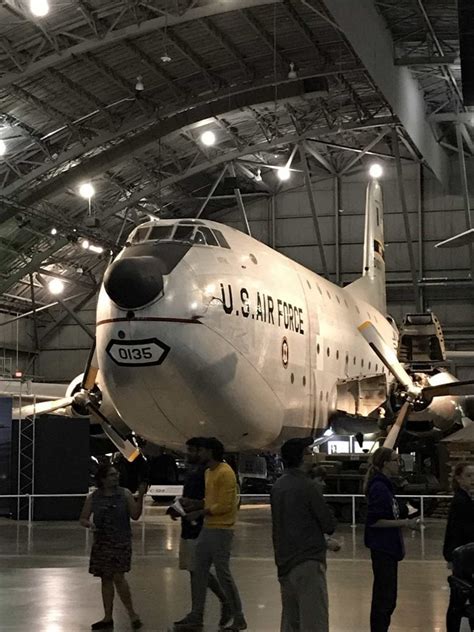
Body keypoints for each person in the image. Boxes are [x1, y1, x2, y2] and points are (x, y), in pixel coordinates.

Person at [174, 437, 246, 631]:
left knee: (223, 574)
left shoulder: (225, 472)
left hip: (222, 530)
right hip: (208, 528)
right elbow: (211, 499)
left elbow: (225, 504)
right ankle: (197, 614)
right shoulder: (209, 472)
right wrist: (195, 504)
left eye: (202, 450)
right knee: (198, 571)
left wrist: (201, 511)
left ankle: (238, 616)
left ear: (211, 451)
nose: (199, 453)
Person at [271, 437, 336, 632]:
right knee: (314, 620)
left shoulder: (278, 486)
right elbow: (328, 524)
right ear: (301, 458)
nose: (312, 455)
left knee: (291, 620)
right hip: (308, 560)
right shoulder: (308, 486)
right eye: (308, 452)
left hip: (284, 561)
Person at [80, 462, 147, 630]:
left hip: (120, 541)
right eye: (112, 475)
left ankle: (132, 613)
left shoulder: (124, 494)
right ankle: (107, 616)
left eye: (116, 474)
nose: (116, 477)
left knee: (118, 576)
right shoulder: (94, 497)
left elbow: (135, 515)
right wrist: (90, 525)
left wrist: (141, 497)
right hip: (102, 542)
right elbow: (83, 518)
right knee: (106, 578)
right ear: (102, 479)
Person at [364, 447, 421, 632]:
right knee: (384, 598)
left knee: (388, 597)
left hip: (389, 549)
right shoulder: (379, 488)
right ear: (385, 464)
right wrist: (405, 522)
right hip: (383, 549)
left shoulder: (386, 486)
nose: (398, 463)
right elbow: (374, 521)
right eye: (395, 460)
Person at [443, 462, 474, 632]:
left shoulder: (466, 498)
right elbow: (455, 531)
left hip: (465, 554)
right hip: (462, 556)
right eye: (468, 476)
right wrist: (451, 556)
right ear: (459, 479)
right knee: (458, 597)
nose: (472, 480)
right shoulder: (460, 501)